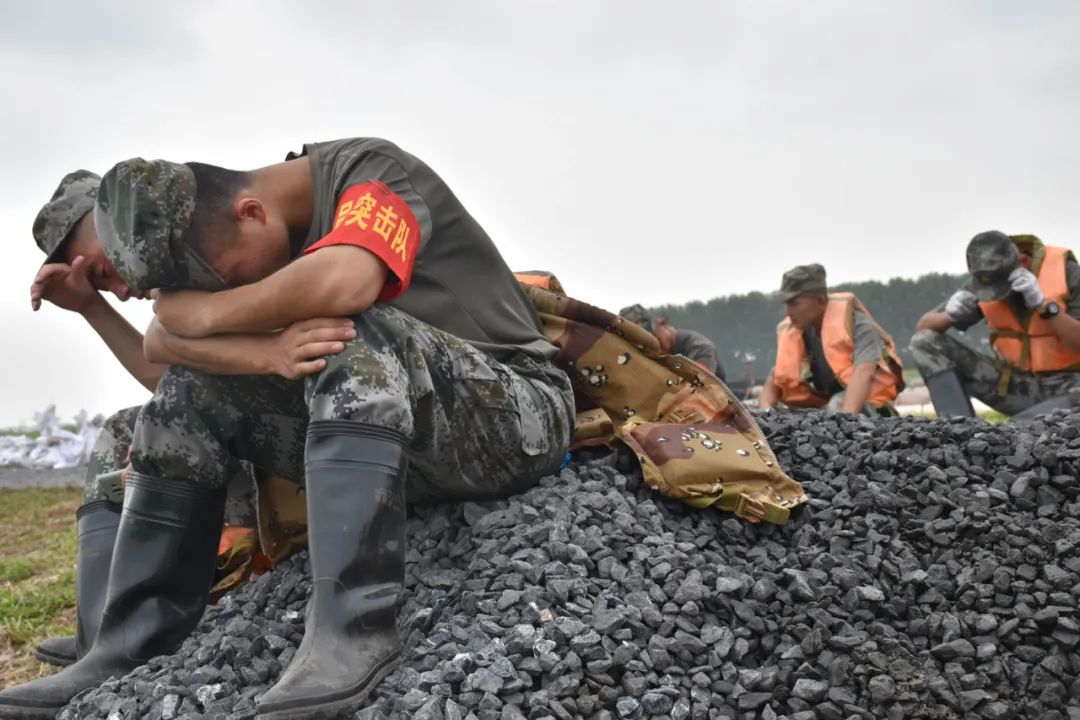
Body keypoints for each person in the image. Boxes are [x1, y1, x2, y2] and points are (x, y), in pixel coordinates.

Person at [0, 138, 574, 720]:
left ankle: (351, 632)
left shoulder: (371, 175)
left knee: (346, 328)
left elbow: (347, 283)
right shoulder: (243, 235)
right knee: (184, 392)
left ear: (252, 213)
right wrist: (263, 351)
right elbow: (164, 347)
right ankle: (128, 645)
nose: (234, 289)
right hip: (398, 439)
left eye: (230, 277)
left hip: (514, 417)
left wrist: (202, 315)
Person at [23, 172, 355, 672]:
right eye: (104, 286)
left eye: (106, 270)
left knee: (161, 429)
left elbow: (202, 386)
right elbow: (173, 378)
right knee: (123, 430)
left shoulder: (224, 246)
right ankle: (102, 640)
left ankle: (115, 641)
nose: (122, 290)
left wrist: (168, 444)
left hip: (326, 439)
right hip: (266, 439)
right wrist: (91, 307)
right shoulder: (178, 280)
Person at [912, 231, 1080, 418]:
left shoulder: (1066, 272)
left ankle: (1028, 424)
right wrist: (949, 315)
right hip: (1021, 388)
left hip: (1071, 387)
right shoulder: (985, 280)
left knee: (1024, 427)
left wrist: (1044, 306)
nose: (998, 292)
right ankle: (958, 427)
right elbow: (923, 328)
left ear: (1022, 261)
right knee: (924, 342)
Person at [757, 264, 903, 415]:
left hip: (870, 408)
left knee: (836, 405)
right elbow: (775, 379)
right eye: (786, 304)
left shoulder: (858, 325)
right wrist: (766, 414)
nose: (788, 312)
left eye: (794, 304)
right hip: (825, 409)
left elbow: (864, 372)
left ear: (820, 300)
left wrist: (844, 422)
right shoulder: (797, 331)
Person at [618, 304, 726, 379]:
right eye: (646, 348)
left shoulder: (699, 346)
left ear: (662, 323)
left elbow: (700, 382)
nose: (656, 350)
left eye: (657, 341)